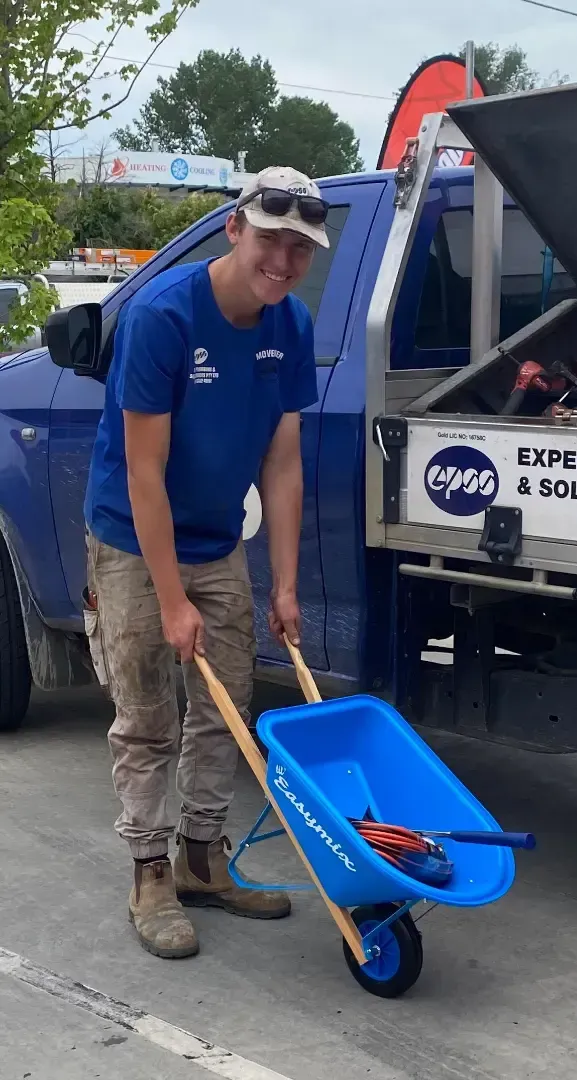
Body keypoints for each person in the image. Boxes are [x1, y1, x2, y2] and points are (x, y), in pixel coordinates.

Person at [83, 166, 329, 958]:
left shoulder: (289, 323)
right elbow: (142, 471)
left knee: (227, 708)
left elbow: (282, 462)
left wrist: (285, 584)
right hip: (133, 539)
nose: (284, 262)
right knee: (148, 714)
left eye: (300, 248)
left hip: (218, 539)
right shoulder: (163, 317)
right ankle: (150, 873)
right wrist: (169, 598)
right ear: (234, 230)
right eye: (270, 241)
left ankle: (203, 859)